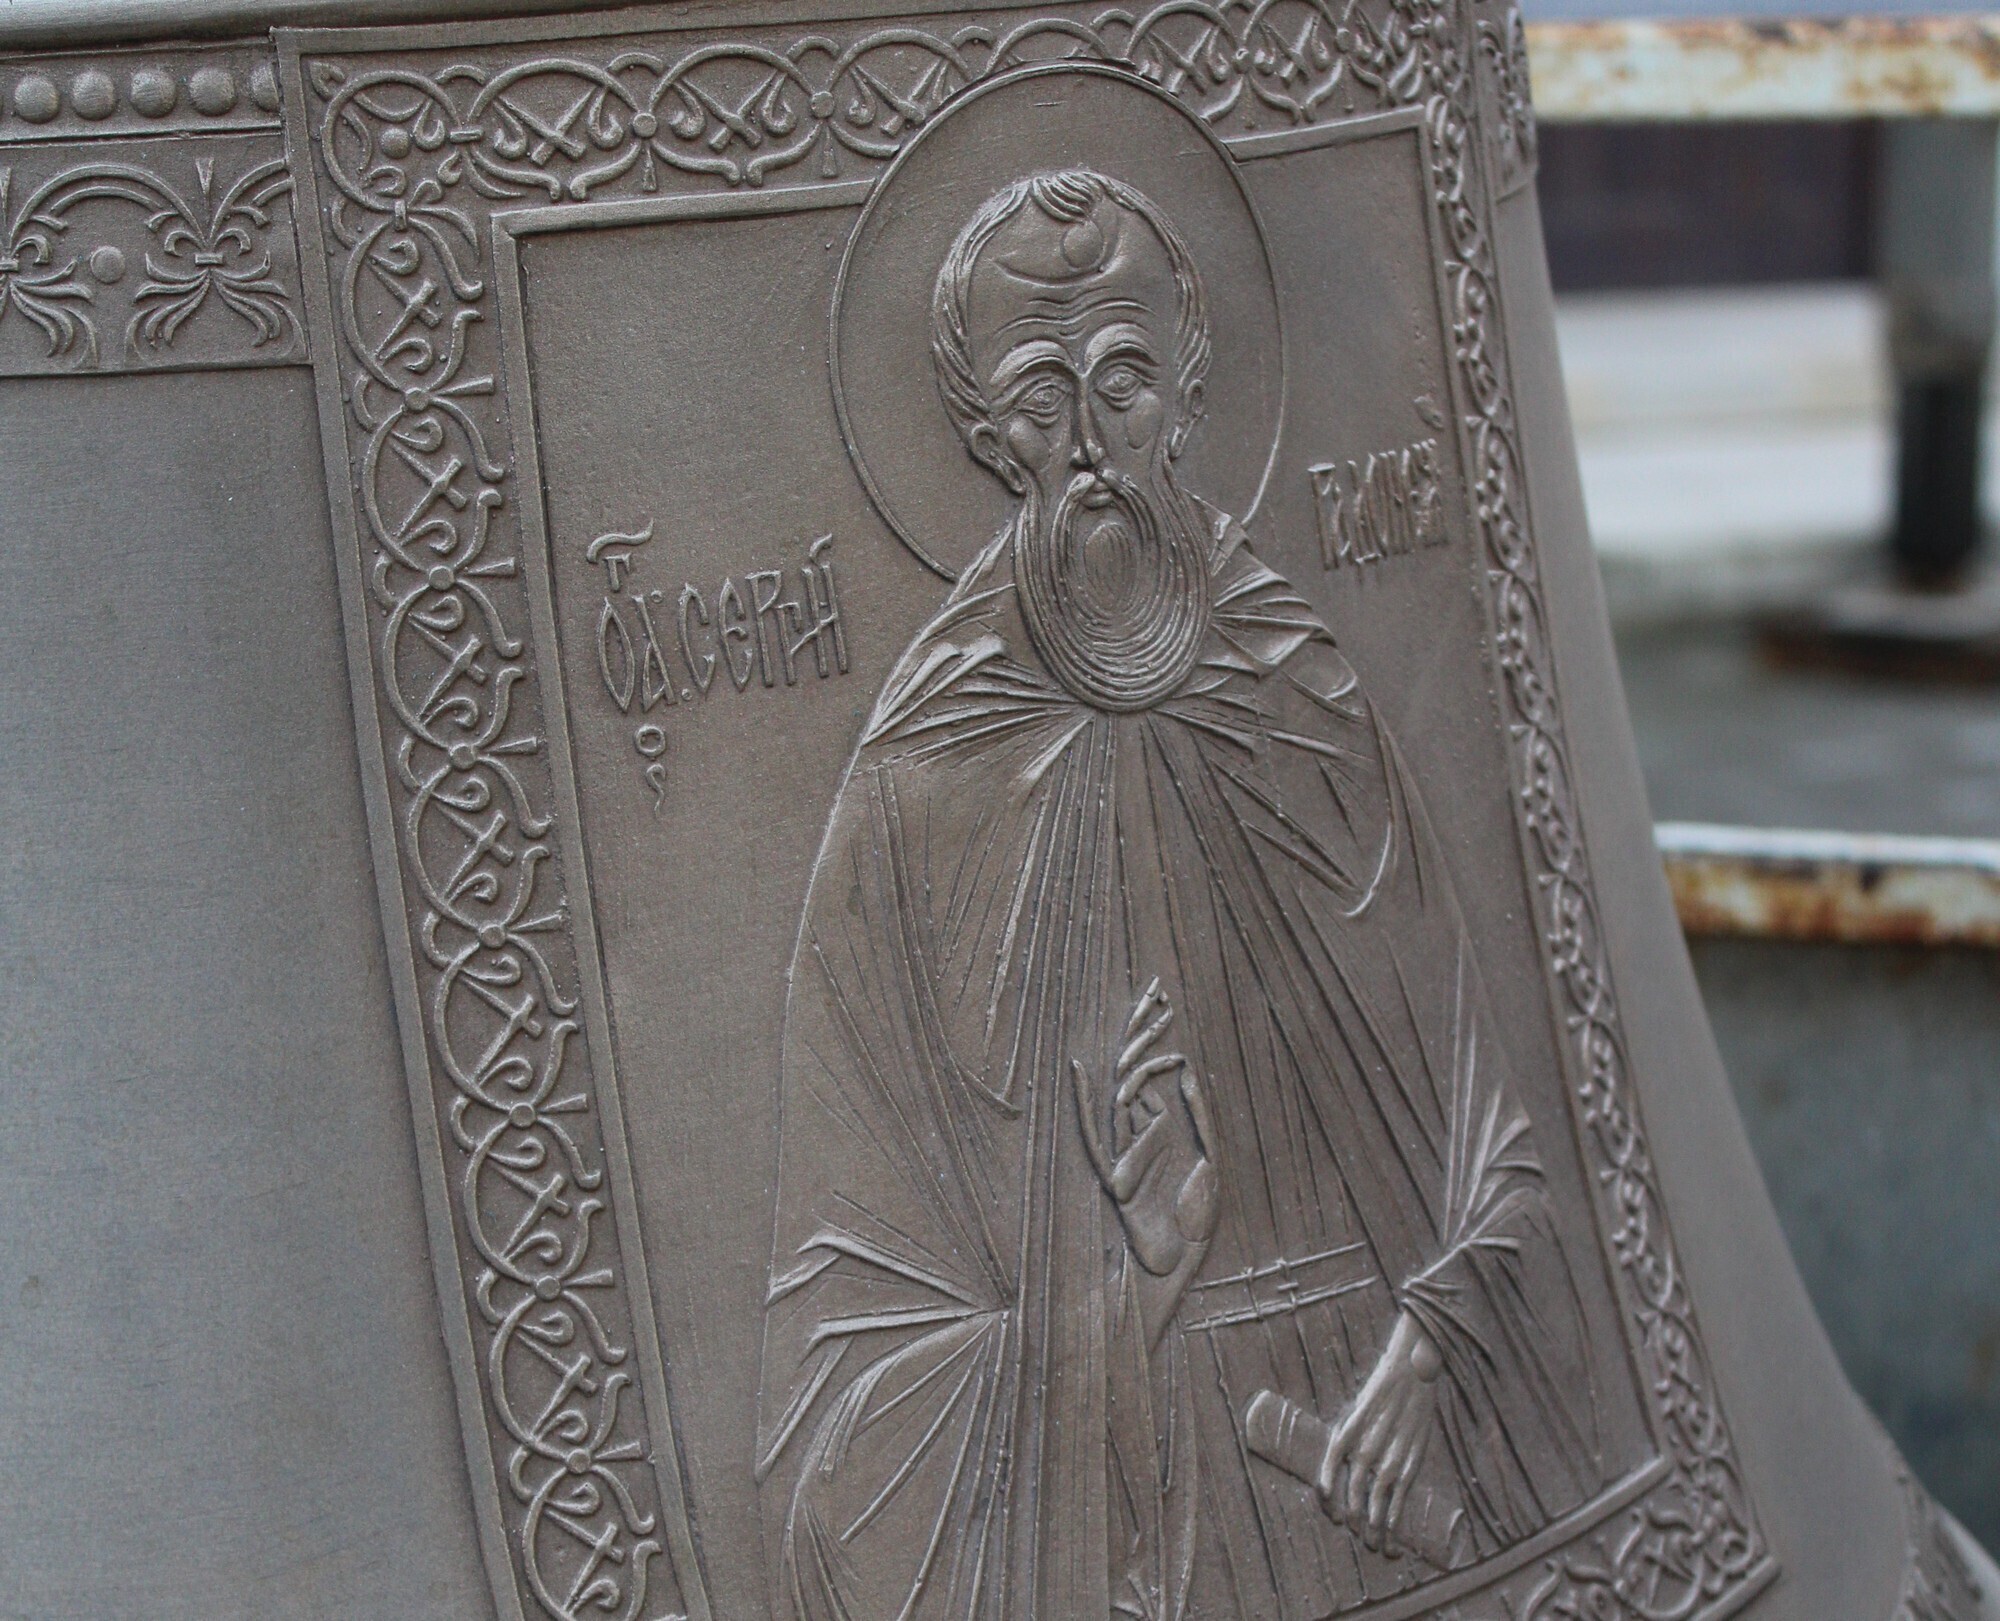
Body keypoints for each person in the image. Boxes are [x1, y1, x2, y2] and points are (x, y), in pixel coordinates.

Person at [756, 167, 1602, 1621]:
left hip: (1390, 1457)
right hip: (1124, 1508)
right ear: (984, 438)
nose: (1092, 446)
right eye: (1042, 401)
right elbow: (845, 1370)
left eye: (1125, 382)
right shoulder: (917, 781)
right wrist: (1128, 1289)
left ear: (1191, 388)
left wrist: (1431, 1351)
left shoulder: (1306, 695)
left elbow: (1502, 1154)